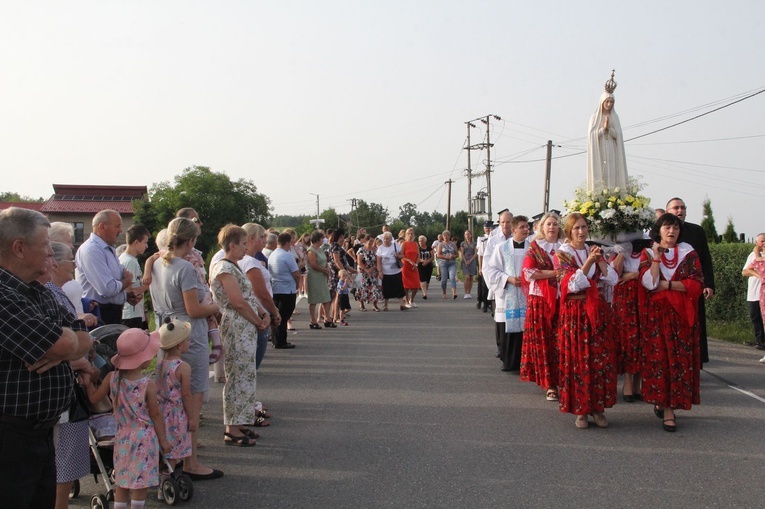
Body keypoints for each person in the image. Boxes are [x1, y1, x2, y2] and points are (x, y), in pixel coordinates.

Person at [0, 207, 92, 509]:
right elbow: (67, 344)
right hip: (11, 437)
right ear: (19, 248)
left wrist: (64, 347)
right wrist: (65, 348)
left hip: (40, 434)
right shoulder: (4, 294)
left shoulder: (37, 290)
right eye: (44, 245)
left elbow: (82, 339)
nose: (49, 254)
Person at [149, 217, 222, 480]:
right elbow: (194, 308)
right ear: (191, 241)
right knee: (192, 397)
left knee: (170, 397)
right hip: (187, 332)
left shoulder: (157, 263)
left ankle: (171, 454)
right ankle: (191, 461)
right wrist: (216, 306)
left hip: (164, 329)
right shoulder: (185, 268)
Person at [85, 328, 171, 508]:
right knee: (141, 482)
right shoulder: (148, 384)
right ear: (143, 359)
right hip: (145, 438)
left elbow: (93, 398)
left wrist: (87, 383)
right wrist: (163, 440)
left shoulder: (112, 378)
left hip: (122, 437)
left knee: (123, 480)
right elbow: (155, 414)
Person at [639, 213, 704, 432]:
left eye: (675, 227)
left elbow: (695, 283)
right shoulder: (648, 253)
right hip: (656, 316)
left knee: (677, 361)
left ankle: (670, 406)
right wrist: (656, 259)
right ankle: (664, 405)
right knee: (660, 360)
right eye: (667, 227)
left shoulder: (689, 252)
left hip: (681, 316)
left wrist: (668, 286)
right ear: (659, 230)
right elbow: (649, 283)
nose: (672, 231)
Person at [556, 213, 618, 429]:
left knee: (598, 360)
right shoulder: (564, 254)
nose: (581, 232)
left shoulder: (593, 250)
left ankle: (597, 408)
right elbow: (571, 284)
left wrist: (599, 261)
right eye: (576, 228)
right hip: (576, 313)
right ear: (569, 231)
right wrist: (589, 262)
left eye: (584, 227)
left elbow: (612, 279)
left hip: (596, 311)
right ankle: (581, 410)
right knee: (579, 360)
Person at [210, 225, 271, 444]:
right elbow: (237, 302)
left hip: (246, 326)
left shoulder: (234, 266)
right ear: (232, 245)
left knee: (246, 375)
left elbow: (250, 297)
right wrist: (258, 321)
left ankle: (241, 421)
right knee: (236, 376)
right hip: (236, 326)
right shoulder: (223, 268)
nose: (247, 247)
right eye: (244, 243)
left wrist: (263, 313)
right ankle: (231, 428)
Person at [666, 197, 715, 363]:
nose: (679, 211)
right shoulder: (659, 232)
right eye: (675, 208)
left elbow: (705, 259)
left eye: (682, 208)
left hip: (692, 287)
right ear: (667, 212)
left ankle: (696, 360)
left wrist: (708, 284)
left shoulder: (697, 231)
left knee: (696, 323)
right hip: (669, 290)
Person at [520, 213, 562, 400]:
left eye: (555, 224)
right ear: (542, 227)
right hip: (542, 300)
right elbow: (529, 272)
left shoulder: (565, 246)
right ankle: (550, 384)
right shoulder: (535, 247)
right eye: (548, 224)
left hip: (563, 298)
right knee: (545, 341)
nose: (552, 227)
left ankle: (564, 379)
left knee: (561, 341)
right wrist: (554, 273)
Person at [75, 209, 139, 324]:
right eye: (117, 226)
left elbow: (114, 283)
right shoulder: (92, 250)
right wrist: (127, 281)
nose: (120, 231)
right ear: (102, 227)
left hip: (111, 313)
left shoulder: (108, 249)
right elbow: (107, 289)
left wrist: (125, 296)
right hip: (98, 314)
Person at [485, 216, 531, 372]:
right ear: (514, 229)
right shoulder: (501, 248)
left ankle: (526, 363)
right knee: (509, 328)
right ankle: (509, 361)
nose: (527, 230)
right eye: (523, 227)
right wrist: (508, 279)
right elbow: (491, 270)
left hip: (527, 293)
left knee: (526, 328)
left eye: (527, 227)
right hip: (508, 292)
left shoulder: (532, 248)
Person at [154, 318, 194, 474]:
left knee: (165, 446)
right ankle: (168, 480)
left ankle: (161, 477)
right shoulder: (183, 367)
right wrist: (192, 417)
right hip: (176, 414)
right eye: (187, 341)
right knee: (173, 448)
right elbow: (186, 394)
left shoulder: (159, 365)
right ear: (179, 345)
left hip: (161, 411)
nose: (189, 343)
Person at [611, 240, 646, 402]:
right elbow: (614, 274)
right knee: (627, 338)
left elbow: (656, 271)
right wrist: (621, 252)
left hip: (644, 295)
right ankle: (627, 383)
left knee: (642, 338)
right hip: (624, 297)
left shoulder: (649, 246)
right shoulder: (619, 247)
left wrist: (634, 275)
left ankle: (638, 383)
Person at [586, 71, 628, 192]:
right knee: (602, 174)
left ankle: (614, 194)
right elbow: (591, 136)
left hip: (612, 150)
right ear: (602, 103)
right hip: (599, 150)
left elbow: (618, 136)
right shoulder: (594, 117)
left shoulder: (615, 117)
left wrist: (610, 130)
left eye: (611, 102)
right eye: (607, 102)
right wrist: (603, 129)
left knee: (612, 173)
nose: (609, 104)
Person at [269, 232, 300, 344]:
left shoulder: (273, 254)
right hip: (287, 289)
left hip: (276, 288)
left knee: (277, 315)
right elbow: (296, 273)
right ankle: (281, 341)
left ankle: (276, 339)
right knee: (284, 315)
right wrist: (298, 284)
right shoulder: (287, 255)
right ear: (287, 243)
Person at [119, 224, 151, 329]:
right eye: (145, 242)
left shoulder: (130, 259)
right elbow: (129, 292)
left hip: (135, 312)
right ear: (136, 242)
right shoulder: (129, 261)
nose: (147, 246)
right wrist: (147, 285)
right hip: (131, 314)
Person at [743, 233, 765, 351]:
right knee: (755, 316)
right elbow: (745, 271)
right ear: (756, 243)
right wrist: (757, 274)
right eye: (761, 241)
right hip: (753, 292)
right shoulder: (752, 255)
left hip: (763, 292)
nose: (763, 243)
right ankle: (759, 339)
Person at [306, 230, 332, 328]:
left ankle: (327, 318)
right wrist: (324, 270)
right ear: (317, 240)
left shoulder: (320, 249)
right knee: (314, 299)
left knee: (326, 297)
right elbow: (313, 264)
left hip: (322, 276)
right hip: (314, 276)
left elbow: (325, 260)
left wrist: (326, 268)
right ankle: (312, 320)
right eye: (322, 238)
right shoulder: (311, 251)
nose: (323, 240)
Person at [376, 231, 407, 311]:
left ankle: (402, 304)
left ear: (391, 239)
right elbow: (378, 261)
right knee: (386, 288)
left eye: (387, 238)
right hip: (386, 272)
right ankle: (385, 305)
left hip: (396, 271)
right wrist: (380, 271)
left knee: (399, 287)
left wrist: (398, 255)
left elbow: (402, 255)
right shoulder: (380, 248)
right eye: (384, 239)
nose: (386, 240)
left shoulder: (395, 245)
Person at [356, 234, 383, 312]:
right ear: (366, 240)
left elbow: (378, 261)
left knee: (375, 288)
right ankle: (362, 305)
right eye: (370, 240)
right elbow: (359, 262)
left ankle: (374, 305)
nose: (371, 242)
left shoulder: (375, 250)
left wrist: (373, 268)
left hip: (373, 272)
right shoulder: (361, 249)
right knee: (362, 288)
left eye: (372, 241)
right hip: (363, 272)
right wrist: (366, 269)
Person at [476, 220, 494, 311]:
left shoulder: (495, 238)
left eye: (489, 228)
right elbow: (480, 254)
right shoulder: (481, 239)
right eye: (486, 228)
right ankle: (484, 303)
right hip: (485, 265)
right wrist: (480, 267)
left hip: (494, 265)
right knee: (483, 285)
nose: (487, 230)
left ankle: (491, 303)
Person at [401, 228, 421, 307]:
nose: (410, 235)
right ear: (406, 234)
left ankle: (412, 300)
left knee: (416, 285)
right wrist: (408, 261)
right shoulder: (404, 244)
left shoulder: (415, 244)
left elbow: (418, 256)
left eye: (411, 233)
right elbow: (401, 255)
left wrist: (416, 264)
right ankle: (406, 302)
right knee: (406, 286)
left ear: (414, 235)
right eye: (408, 233)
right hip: (406, 266)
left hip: (414, 266)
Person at [436, 230, 458, 299]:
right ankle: (444, 292)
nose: (446, 237)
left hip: (452, 263)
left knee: (452, 278)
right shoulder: (440, 244)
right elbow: (438, 255)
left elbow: (457, 253)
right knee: (444, 279)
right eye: (444, 235)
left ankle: (454, 293)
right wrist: (445, 257)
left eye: (447, 235)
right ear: (442, 237)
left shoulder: (453, 244)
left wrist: (453, 256)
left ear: (449, 236)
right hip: (443, 263)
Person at [460, 230, 478, 299]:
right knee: (467, 277)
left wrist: (470, 261)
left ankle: (469, 292)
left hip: (472, 261)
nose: (467, 235)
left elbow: (475, 254)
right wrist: (465, 261)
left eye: (468, 234)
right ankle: (465, 292)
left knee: (471, 278)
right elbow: (462, 253)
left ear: (471, 235)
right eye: (466, 234)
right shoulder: (462, 244)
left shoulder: (474, 244)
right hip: (465, 261)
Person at [416, 235, 433, 300]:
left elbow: (432, 257)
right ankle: (424, 293)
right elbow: (417, 257)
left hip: (429, 265)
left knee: (427, 280)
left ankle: (425, 290)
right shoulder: (418, 248)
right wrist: (423, 261)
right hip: (421, 265)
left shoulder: (429, 248)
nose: (421, 242)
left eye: (422, 241)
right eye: (419, 241)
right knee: (422, 279)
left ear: (425, 241)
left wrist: (428, 261)